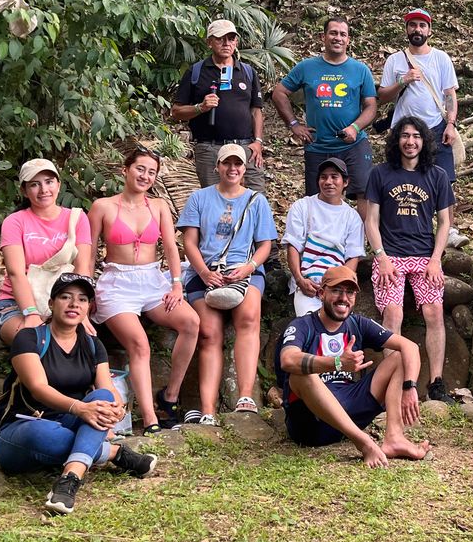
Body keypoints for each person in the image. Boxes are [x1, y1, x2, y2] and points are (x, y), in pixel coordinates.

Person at [0, 274, 158, 515]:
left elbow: (107, 389)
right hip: (23, 429)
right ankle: (113, 453)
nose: (74, 304)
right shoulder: (29, 338)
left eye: (82, 299)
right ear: (51, 303)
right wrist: (80, 409)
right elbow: (39, 387)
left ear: (88, 308)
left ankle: (70, 479)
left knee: (104, 398)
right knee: (44, 433)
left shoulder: (92, 344)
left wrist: (115, 407)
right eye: (65, 297)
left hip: (71, 422)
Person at [87, 149, 199, 434]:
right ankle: (150, 418)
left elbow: (172, 247)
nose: (145, 176)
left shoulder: (158, 205)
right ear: (125, 170)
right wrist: (85, 292)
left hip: (152, 281)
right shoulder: (102, 206)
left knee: (191, 322)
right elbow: (87, 253)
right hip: (117, 284)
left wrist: (176, 284)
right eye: (140, 169)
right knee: (139, 344)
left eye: (151, 172)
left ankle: (170, 396)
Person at [278, 266, 431, 468]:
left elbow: (409, 347)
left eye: (349, 292)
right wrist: (338, 362)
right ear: (321, 293)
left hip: (350, 407)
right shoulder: (302, 325)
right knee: (300, 374)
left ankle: (394, 437)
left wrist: (409, 387)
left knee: (400, 357)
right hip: (312, 424)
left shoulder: (358, 324)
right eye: (336, 291)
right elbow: (287, 360)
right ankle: (364, 443)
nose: (344, 297)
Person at [176, 144, 278, 425]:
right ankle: (208, 409)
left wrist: (248, 267)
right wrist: (205, 273)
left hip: (244, 269)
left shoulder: (257, 200)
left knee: (248, 318)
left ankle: (246, 395)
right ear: (217, 166)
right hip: (205, 271)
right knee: (209, 332)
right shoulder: (199, 198)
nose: (232, 169)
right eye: (226, 163)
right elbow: (190, 243)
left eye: (238, 164)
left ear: (245, 168)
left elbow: (265, 245)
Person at [364, 117, 456, 403]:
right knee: (393, 314)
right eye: (405, 135)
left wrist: (435, 260)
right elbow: (371, 220)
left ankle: (436, 382)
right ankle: (396, 378)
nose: (411, 141)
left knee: (434, 313)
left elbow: (444, 223)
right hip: (390, 255)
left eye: (416, 136)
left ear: (424, 141)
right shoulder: (380, 174)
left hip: (424, 256)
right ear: (396, 140)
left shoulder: (437, 175)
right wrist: (381, 258)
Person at [271, 17, 377, 212]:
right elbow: (279, 93)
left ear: (348, 40)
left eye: (342, 34)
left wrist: (355, 127)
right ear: (323, 36)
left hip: (353, 144)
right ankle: (320, 240)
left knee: (364, 192)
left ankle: (362, 240)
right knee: (317, 197)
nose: (338, 38)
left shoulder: (360, 70)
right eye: (333, 33)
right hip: (318, 145)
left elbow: (371, 106)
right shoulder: (307, 67)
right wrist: (294, 124)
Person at [0, 159, 94, 345]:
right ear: (24, 190)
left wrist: (82, 313)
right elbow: (16, 273)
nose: (44, 190)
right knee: (34, 342)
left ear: (59, 185)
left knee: (85, 345)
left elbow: (82, 269)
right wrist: (30, 313)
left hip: (63, 303)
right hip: (15, 305)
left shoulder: (77, 219)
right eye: (34, 184)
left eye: (49, 181)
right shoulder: (15, 222)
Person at [170, 18, 265, 191]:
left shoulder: (248, 72)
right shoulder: (196, 71)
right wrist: (200, 107)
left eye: (231, 38)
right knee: (215, 201)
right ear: (209, 42)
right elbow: (176, 112)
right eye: (220, 39)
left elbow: (256, 110)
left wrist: (258, 141)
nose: (226, 43)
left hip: (245, 147)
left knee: (255, 199)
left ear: (236, 42)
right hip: (210, 148)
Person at [377, 8, 461, 183]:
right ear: (407, 29)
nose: (417, 29)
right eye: (413, 25)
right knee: (404, 183)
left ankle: (445, 213)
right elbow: (382, 96)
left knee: (443, 184)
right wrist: (403, 81)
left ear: (429, 31)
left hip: (436, 128)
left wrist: (451, 124)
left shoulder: (441, 58)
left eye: (422, 25)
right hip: (403, 132)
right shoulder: (394, 60)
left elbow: (449, 94)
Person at [282, 157, 365, 317]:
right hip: (308, 283)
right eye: (323, 177)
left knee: (335, 331)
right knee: (311, 326)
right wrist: (299, 280)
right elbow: (292, 246)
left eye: (334, 177)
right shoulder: (302, 206)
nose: (328, 182)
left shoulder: (352, 217)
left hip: (336, 285)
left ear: (345, 182)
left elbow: (353, 257)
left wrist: (339, 285)